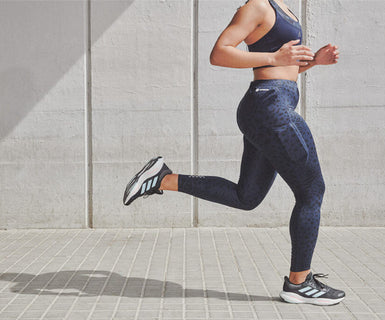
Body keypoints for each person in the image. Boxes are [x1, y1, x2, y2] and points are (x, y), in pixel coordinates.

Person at [123, 0, 344, 306]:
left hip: (269, 106)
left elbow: (281, 64)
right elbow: (220, 52)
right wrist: (276, 55)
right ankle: (299, 282)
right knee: (312, 190)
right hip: (271, 107)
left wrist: (313, 62)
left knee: (247, 197)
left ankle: (163, 178)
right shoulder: (257, 6)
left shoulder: (283, 7)